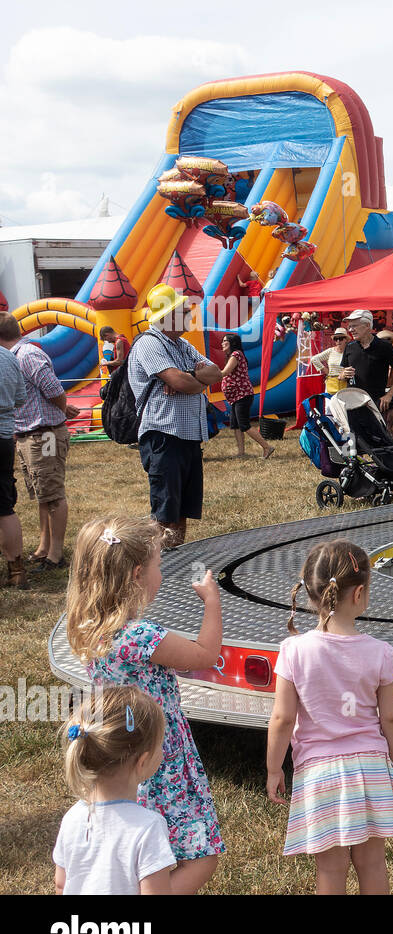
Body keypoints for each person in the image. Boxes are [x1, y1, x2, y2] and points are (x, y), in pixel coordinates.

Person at [66, 514, 225, 893]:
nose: (161, 573)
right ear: (137, 574)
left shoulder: (91, 627)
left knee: (136, 845)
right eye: (158, 564)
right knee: (201, 855)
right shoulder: (141, 636)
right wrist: (212, 601)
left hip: (119, 750)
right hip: (158, 753)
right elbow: (205, 655)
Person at [267, 540, 393, 895]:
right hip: (371, 767)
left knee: (330, 869)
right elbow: (391, 718)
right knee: (373, 863)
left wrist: (273, 768)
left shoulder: (293, 650)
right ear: (359, 593)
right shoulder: (382, 653)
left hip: (319, 772)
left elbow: (282, 718)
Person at [128, 285, 223, 550]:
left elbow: (216, 373)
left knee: (181, 507)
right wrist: (190, 377)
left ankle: (174, 558)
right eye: (183, 312)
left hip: (187, 435)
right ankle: (160, 565)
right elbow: (180, 381)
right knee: (165, 510)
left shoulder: (181, 344)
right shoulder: (149, 343)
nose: (189, 316)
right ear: (168, 316)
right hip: (164, 436)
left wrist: (188, 379)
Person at [54, 685, 174, 895]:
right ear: (143, 761)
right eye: (159, 745)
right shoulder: (149, 827)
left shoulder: (72, 817)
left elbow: (61, 885)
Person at [0, 312, 80, 570]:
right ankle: (44, 547)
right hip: (31, 434)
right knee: (42, 494)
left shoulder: (27, 356)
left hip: (43, 433)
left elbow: (54, 389)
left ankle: (56, 554)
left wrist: (62, 408)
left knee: (53, 493)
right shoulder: (18, 356)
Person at [217, 333, 273, 460]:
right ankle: (241, 452)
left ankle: (267, 447)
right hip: (235, 397)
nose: (222, 343)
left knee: (244, 425)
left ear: (232, 343)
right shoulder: (233, 355)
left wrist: (209, 373)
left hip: (242, 395)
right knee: (235, 425)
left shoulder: (236, 354)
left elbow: (225, 372)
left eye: (225, 341)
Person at [340, 310, 393, 411]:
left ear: (367, 325)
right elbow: (341, 375)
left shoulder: (384, 347)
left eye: (354, 326)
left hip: (375, 404)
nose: (351, 330)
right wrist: (343, 374)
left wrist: (389, 395)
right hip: (352, 404)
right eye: (349, 326)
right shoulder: (349, 347)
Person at [0, 338, 25, 588]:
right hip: (4, 437)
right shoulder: (8, 357)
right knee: (4, 505)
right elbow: (20, 398)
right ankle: (17, 571)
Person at [310, 327, 349, 395]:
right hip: (331, 384)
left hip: (345, 385)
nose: (338, 341)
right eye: (336, 339)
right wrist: (325, 370)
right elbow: (314, 359)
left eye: (340, 338)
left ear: (345, 339)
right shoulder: (330, 351)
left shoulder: (350, 351)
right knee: (330, 405)